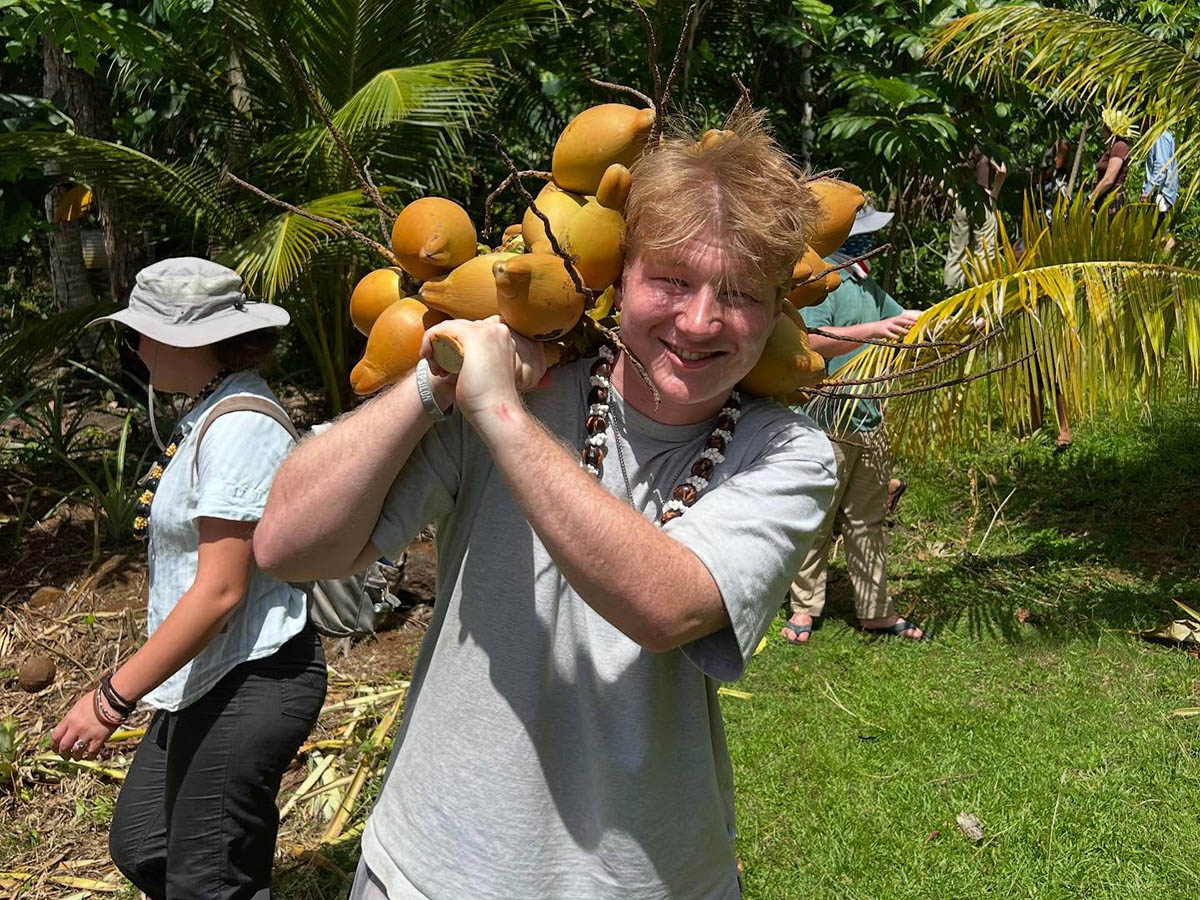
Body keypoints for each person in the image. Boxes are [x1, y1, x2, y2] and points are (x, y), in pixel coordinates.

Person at [253, 111, 838, 900]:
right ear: (618, 274)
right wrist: (434, 385)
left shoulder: (788, 454)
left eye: (738, 295)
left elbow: (665, 606)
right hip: (435, 872)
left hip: (646, 881)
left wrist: (499, 414)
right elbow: (288, 546)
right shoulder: (507, 383)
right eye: (671, 280)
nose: (700, 321)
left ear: (775, 312)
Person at [51, 258, 327, 900]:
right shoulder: (211, 413)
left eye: (143, 333)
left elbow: (221, 592)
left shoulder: (239, 427)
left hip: (253, 675)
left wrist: (109, 700)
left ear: (191, 342)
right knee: (145, 840)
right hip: (208, 674)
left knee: (206, 879)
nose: (136, 348)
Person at [780, 205, 927, 645]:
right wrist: (876, 328)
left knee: (868, 520)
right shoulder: (821, 285)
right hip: (825, 420)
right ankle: (804, 608)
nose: (867, 245)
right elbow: (809, 342)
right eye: (860, 236)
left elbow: (905, 323)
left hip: (870, 419)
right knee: (818, 521)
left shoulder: (867, 284)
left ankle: (876, 609)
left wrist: (956, 319)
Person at [943, 143, 1006, 291]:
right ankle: (980, 297)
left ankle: (949, 294)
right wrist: (994, 194)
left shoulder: (959, 147)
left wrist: (954, 196)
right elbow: (1002, 171)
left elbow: (938, 178)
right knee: (983, 253)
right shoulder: (986, 146)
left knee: (957, 253)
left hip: (962, 201)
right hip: (984, 202)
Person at [1089, 108, 1135, 212]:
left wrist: (1091, 198)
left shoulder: (1119, 147)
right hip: (1106, 199)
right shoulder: (1112, 148)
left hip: (1112, 200)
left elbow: (1109, 179)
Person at [1141, 127, 1179, 247]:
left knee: (1159, 235)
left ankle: (1167, 263)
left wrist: (1148, 191)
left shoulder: (1161, 137)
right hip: (1162, 192)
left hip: (1160, 192)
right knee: (1161, 233)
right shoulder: (1164, 135)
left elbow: (1161, 167)